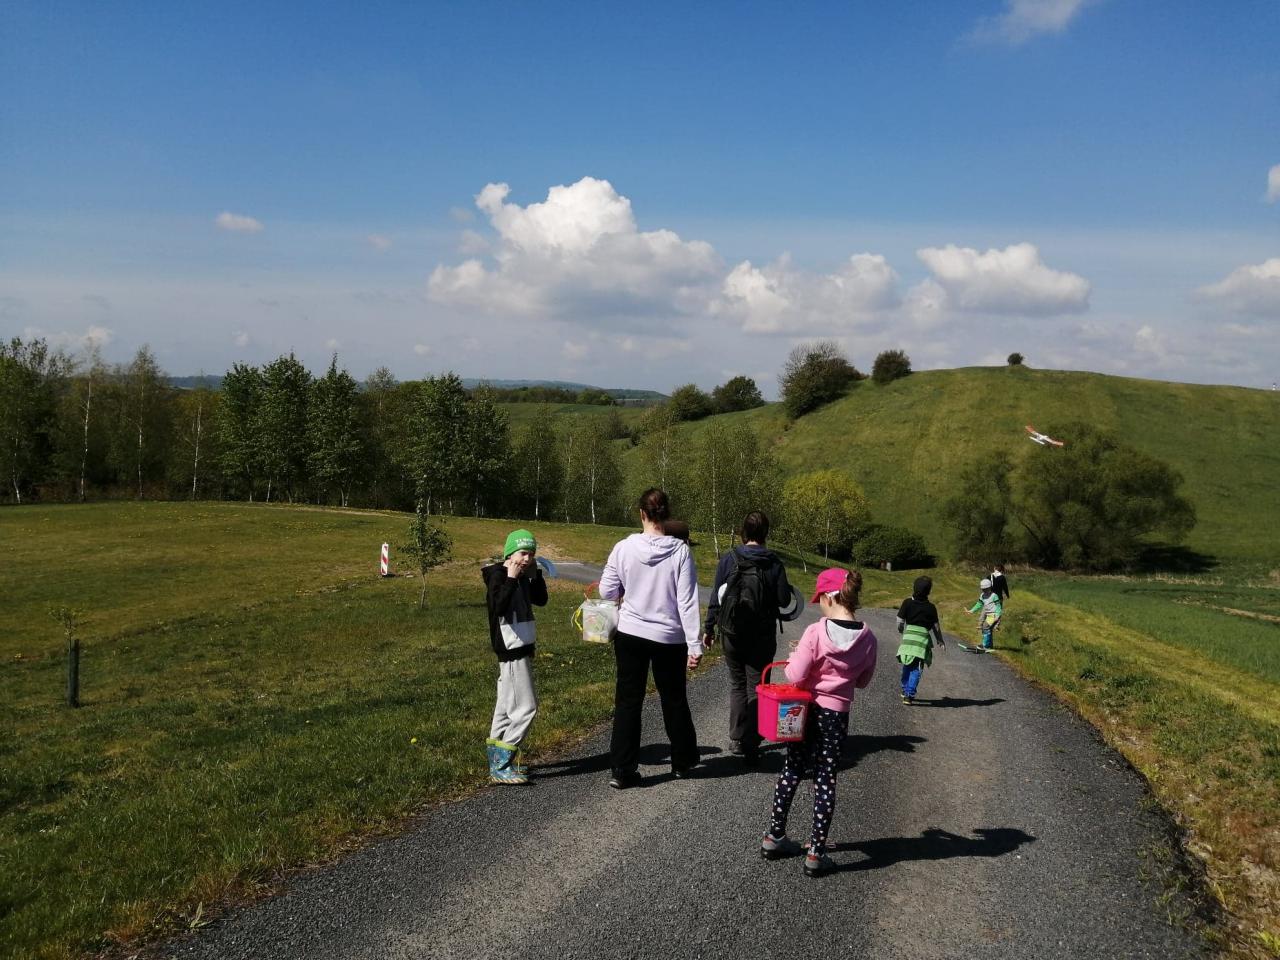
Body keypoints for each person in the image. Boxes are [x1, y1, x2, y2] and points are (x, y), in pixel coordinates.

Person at [760, 568, 877, 877]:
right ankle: (816, 852)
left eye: (819, 600)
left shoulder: (815, 632)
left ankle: (775, 835)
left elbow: (795, 675)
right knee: (826, 778)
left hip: (804, 709)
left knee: (793, 768)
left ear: (829, 597)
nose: (819, 606)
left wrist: (795, 655)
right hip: (836, 715)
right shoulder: (868, 638)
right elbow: (863, 681)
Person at [600, 488, 702, 789]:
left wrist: (624, 591)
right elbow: (687, 602)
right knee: (674, 699)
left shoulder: (624, 548)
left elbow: (607, 590)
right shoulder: (681, 551)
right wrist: (694, 644)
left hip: (631, 632)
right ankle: (682, 761)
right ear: (666, 515)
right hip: (669, 637)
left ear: (642, 513)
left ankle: (622, 769)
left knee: (628, 701)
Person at [704, 510, 797, 765]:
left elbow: (716, 597)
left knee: (737, 684)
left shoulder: (729, 558)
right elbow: (784, 600)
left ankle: (736, 737)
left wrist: (709, 628)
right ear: (766, 533)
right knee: (758, 685)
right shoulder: (773, 562)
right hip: (762, 636)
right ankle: (752, 742)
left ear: (743, 531)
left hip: (732, 633)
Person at [482, 529, 548, 785]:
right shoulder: (498, 576)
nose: (527, 558)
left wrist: (535, 576)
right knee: (526, 708)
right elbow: (498, 607)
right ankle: (502, 761)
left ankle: (496, 762)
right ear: (509, 554)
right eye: (522, 553)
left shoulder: (523, 576)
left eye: (531, 554)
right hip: (510, 650)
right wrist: (510, 578)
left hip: (522, 648)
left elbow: (541, 600)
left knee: (504, 707)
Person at [896, 575, 944, 704]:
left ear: (914, 588)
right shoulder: (931, 607)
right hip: (921, 642)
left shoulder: (907, 602)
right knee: (917, 668)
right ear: (929, 591)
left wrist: (900, 629)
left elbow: (900, 620)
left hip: (908, 638)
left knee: (907, 664)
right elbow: (935, 626)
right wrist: (940, 640)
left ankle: (905, 688)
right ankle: (909, 694)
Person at [968, 577, 1003, 651]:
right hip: (989, 616)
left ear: (990, 588)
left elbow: (998, 606)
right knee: (988, 629)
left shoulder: (994, 596)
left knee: (985, 627)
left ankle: (985, 646)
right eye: (983, 589)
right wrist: (971, 610)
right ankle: (990, 646)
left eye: (986, 589)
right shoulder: (982, 596)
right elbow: (979, 604)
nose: (984, 590)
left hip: (994, 615)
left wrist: (997, 615)